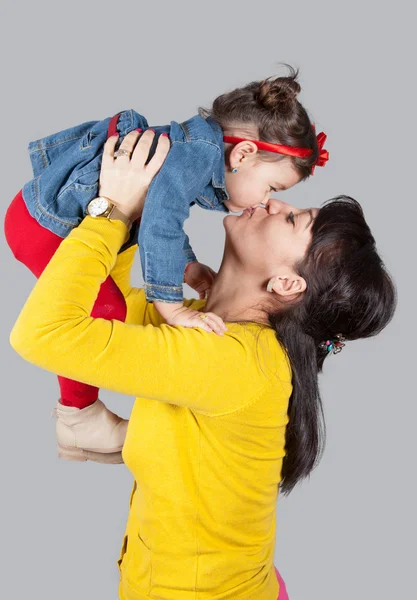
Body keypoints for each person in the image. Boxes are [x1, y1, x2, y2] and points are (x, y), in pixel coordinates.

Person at [10, 129, 396, 600]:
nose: (275, 204)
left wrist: (110, 211)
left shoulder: (234, 361)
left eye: (293, 219)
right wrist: (139, 206)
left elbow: (43, 334)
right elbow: (96, 303)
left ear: (287, 284)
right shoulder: (202, 326)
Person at [4, 67, 328, 461]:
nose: (266, 202)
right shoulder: (196, 156)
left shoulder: (193, 151)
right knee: (106, 310)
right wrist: (170, 305)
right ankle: (78, 416)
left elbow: (163, 219)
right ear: (243, 154)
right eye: (272, 187)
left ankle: (79, 417)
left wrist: (187, 267)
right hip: (45, 226)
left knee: (109, 306)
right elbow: (160, 223)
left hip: (39, 216)